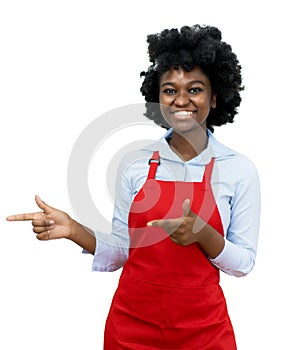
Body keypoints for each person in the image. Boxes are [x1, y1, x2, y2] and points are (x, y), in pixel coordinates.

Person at [7, 24, 260, 349]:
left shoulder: (238, 170)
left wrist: (204, 234)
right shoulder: (136, 164)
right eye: (169, 90)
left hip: (204, 330)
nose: (181, 99)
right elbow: (123, 251)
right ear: (157, 97)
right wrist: (74, 230)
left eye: (195, 89)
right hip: (132, 328)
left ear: (215, 98)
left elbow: (244, 265)